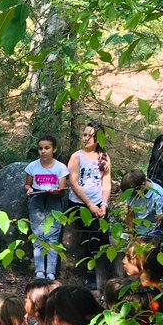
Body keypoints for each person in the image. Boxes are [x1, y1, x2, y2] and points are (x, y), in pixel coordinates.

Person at [65, 120, 113, 290]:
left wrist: (104, 204)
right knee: (93, 231)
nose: (84, 138)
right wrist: (90, 204)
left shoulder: (104, 157)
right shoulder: (76, 157)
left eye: (89, 136)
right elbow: (73, 183)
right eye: (84, 135)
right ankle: (90, 273)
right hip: (80, 203)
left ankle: (106, 273)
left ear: (97, 139)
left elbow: (106, 182)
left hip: (99, 202)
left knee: (103, 234)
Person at [23, 135, 69, 280]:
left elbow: (62, 190)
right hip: (36, 199)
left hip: (54, 201)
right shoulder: (32, 166)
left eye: (47, 148)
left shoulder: (60, 168)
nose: (43, 151)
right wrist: (29, 189)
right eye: (40, 148)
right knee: (38, 236)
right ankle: (39, 272)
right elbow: (27, 185)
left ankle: (50, 272)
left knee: (52, 237)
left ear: (54, 149)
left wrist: (57, 191)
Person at [116, 169, 163, 238]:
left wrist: (149, 237)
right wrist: (132, 236)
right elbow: (130, 216)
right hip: (137, 230)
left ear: (143, 185)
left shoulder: (158, 194)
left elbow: (160, 221)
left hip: (151, 232)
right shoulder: (131, 192)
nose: (132, 197)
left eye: (134, 194)